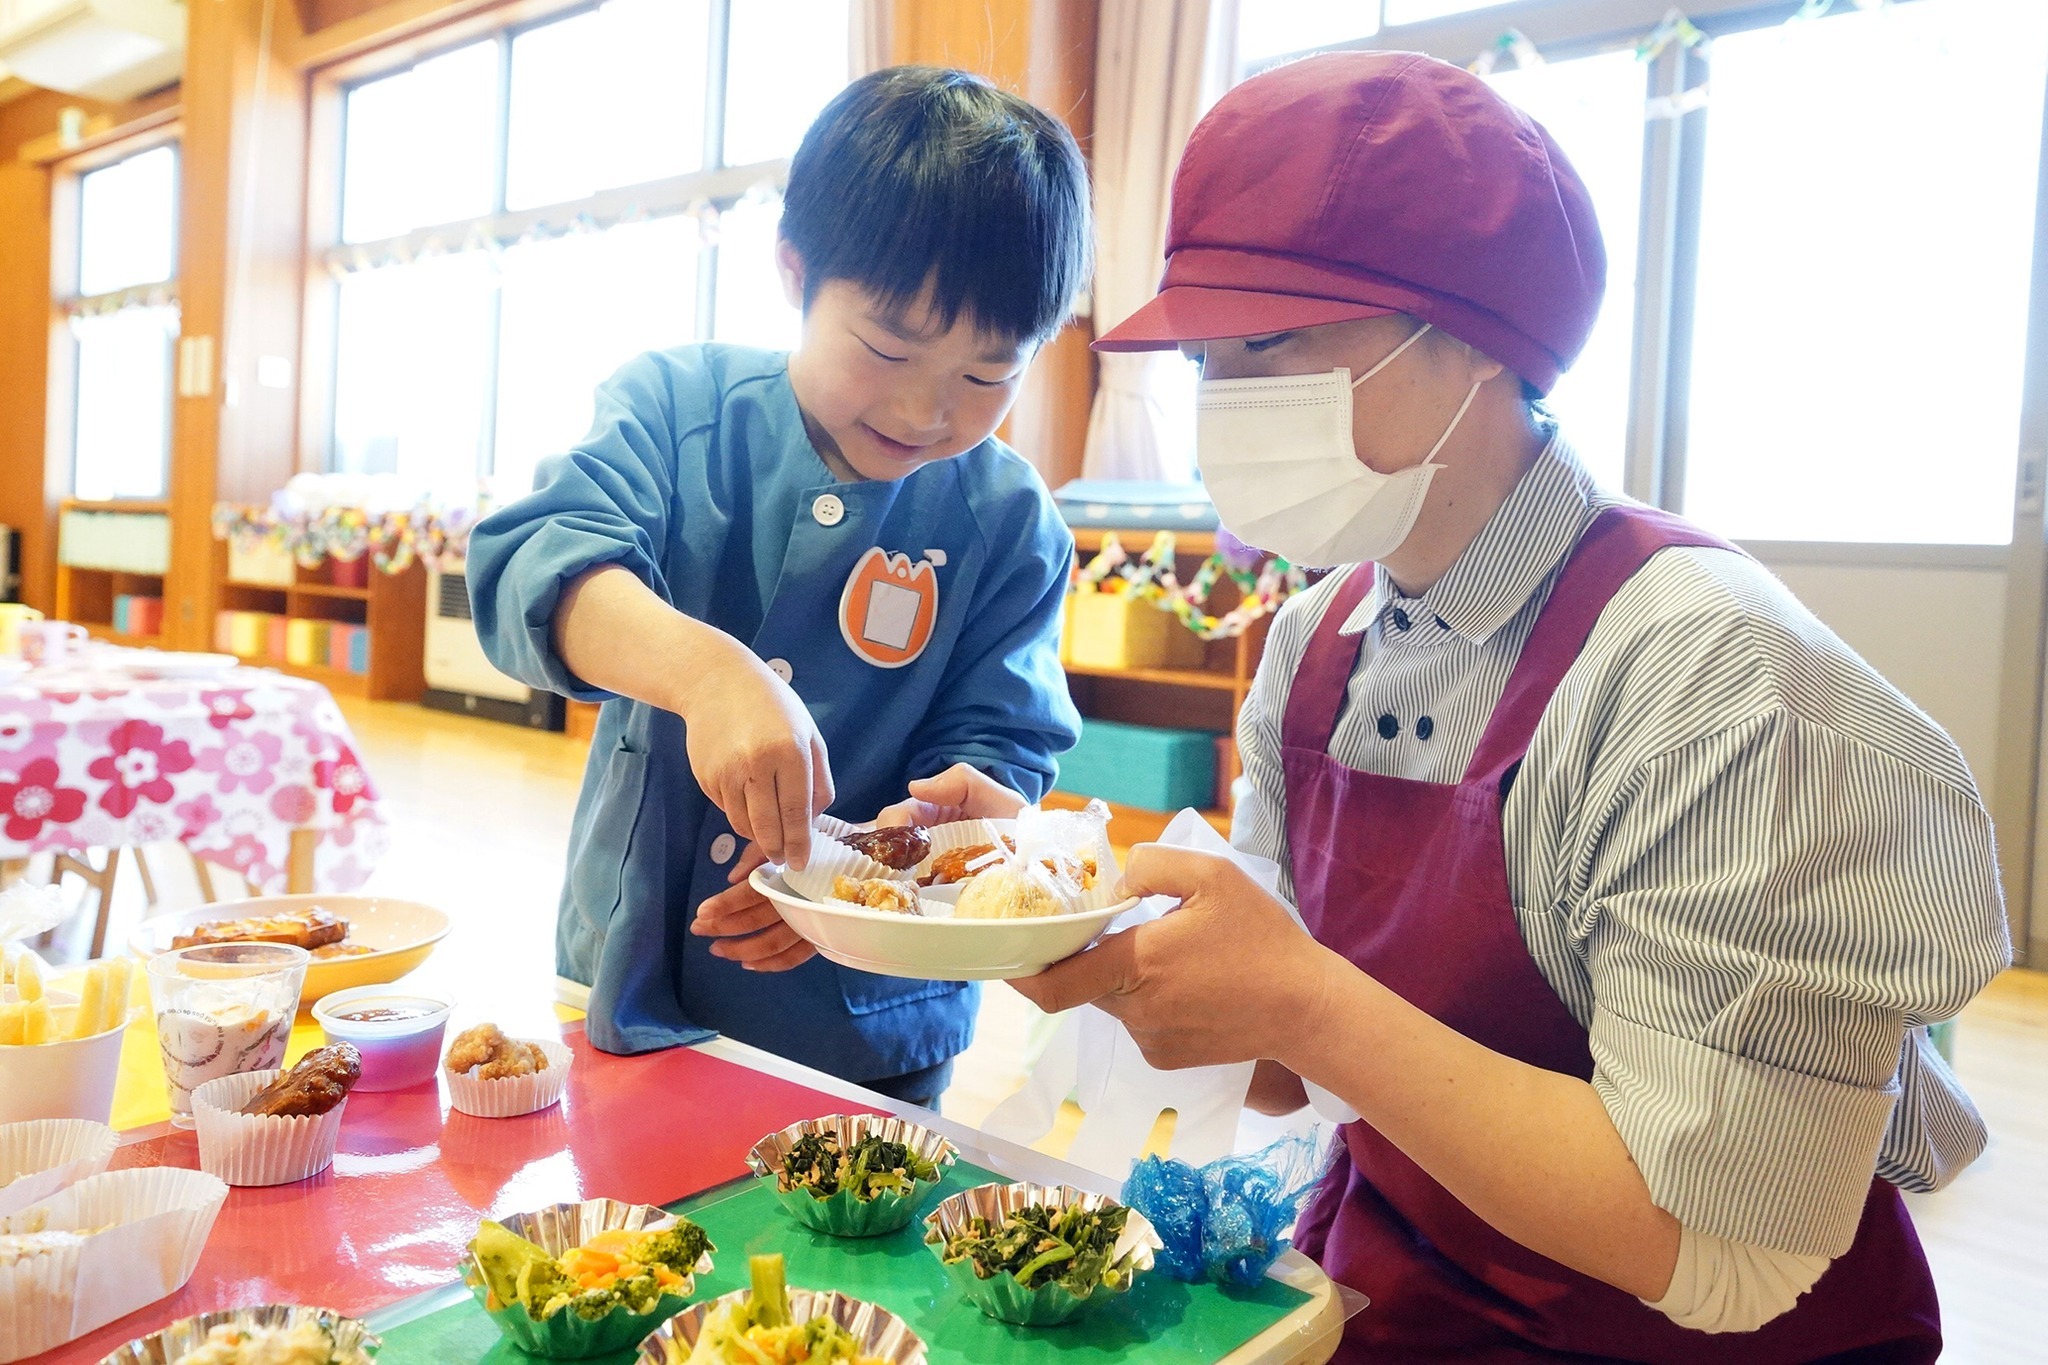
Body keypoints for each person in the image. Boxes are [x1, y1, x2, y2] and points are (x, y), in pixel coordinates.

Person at [984, 52, 2009, 1360]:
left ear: (1470, 335)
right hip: (1387, 1294)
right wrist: (1042, 915)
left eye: (1271, 346)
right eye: (1206, 361)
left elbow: (1717, 1249)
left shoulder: (1718, 688)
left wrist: (1302, 998)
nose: (1224, 406)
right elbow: (1287, 1059)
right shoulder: (1314, 646)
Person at [466, 66, 1091, 1109]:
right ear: (795, 272)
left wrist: (898, 876)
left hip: (868, 1020)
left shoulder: (1009, 518)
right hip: (631, 964)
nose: (927, 408)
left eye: (989, 375)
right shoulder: (677, 407)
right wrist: (705, 673)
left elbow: (1002, 744)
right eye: (888, 347)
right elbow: (535, 562)